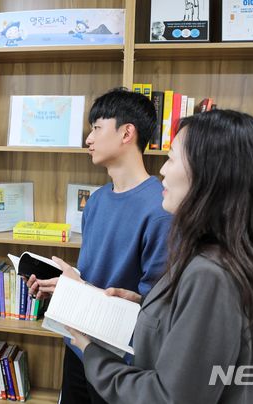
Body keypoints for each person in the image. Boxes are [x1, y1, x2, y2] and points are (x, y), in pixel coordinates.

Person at [67, 109, 253, 403]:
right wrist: (147, 307)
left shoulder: (211, 274)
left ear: (208, 173)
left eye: (171, 158)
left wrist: (91, 349)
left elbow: (168, 397)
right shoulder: (225, 255)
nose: (162, 171)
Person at [27, 88, 172, 404]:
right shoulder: (96, 201)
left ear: (126, 133)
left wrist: (79, 287)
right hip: (78, 345)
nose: (88, 140)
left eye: (96, 128)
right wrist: (61, 285)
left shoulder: (161, 208)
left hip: (120, 362)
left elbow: (155, 307)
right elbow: (91, 275)